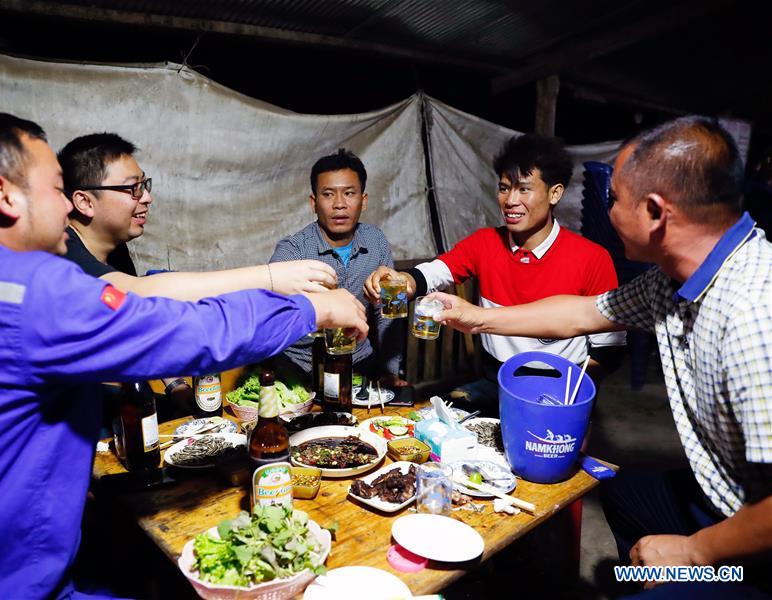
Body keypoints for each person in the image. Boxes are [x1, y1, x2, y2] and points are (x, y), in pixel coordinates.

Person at [0, 111, 368, 598]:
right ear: (4, 195)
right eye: (56, 189)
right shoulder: (23, 292)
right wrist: (309, 309)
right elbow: (189, 332)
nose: (67, 207)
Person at [429, 117, 772, 597]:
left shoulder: (753, 315)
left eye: (613, 199)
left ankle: (692, 580)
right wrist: (476, 318)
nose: (604, 211)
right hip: (713, 488)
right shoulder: (670, 281)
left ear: (655, 212)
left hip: (754, 531)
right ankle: (653, 580)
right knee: (623, 486)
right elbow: (580, 313)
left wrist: (697, 553)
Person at [365, 133, 625, 414]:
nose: (510, 200)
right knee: (432, 420)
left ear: (555, 193)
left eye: (524, 189)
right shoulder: (486, 242)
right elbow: (437, 271)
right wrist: (404, 281)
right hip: (496, 382)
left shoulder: (592, 259)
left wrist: (570, 400)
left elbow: (609, 352)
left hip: (559, 389)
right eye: (504, 188)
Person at [58, 132, 338, 300]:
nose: (146, 197)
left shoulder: (115, 251)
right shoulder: (62, 252)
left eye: (144, 185)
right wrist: (269, 277)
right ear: (84, 202)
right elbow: (137, 295)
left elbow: (137, 328)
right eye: (133, 188)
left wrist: (174, 386)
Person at [270, 148, 406, 387]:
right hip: (302, 371)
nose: (339, 204)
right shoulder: (293, 252)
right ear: (314, 202)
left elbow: (388, 313)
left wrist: (390, 371)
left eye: (349, 193)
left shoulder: (376, 241)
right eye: (328, 194)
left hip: (360, 365)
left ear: (363, 201)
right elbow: (272, 318)